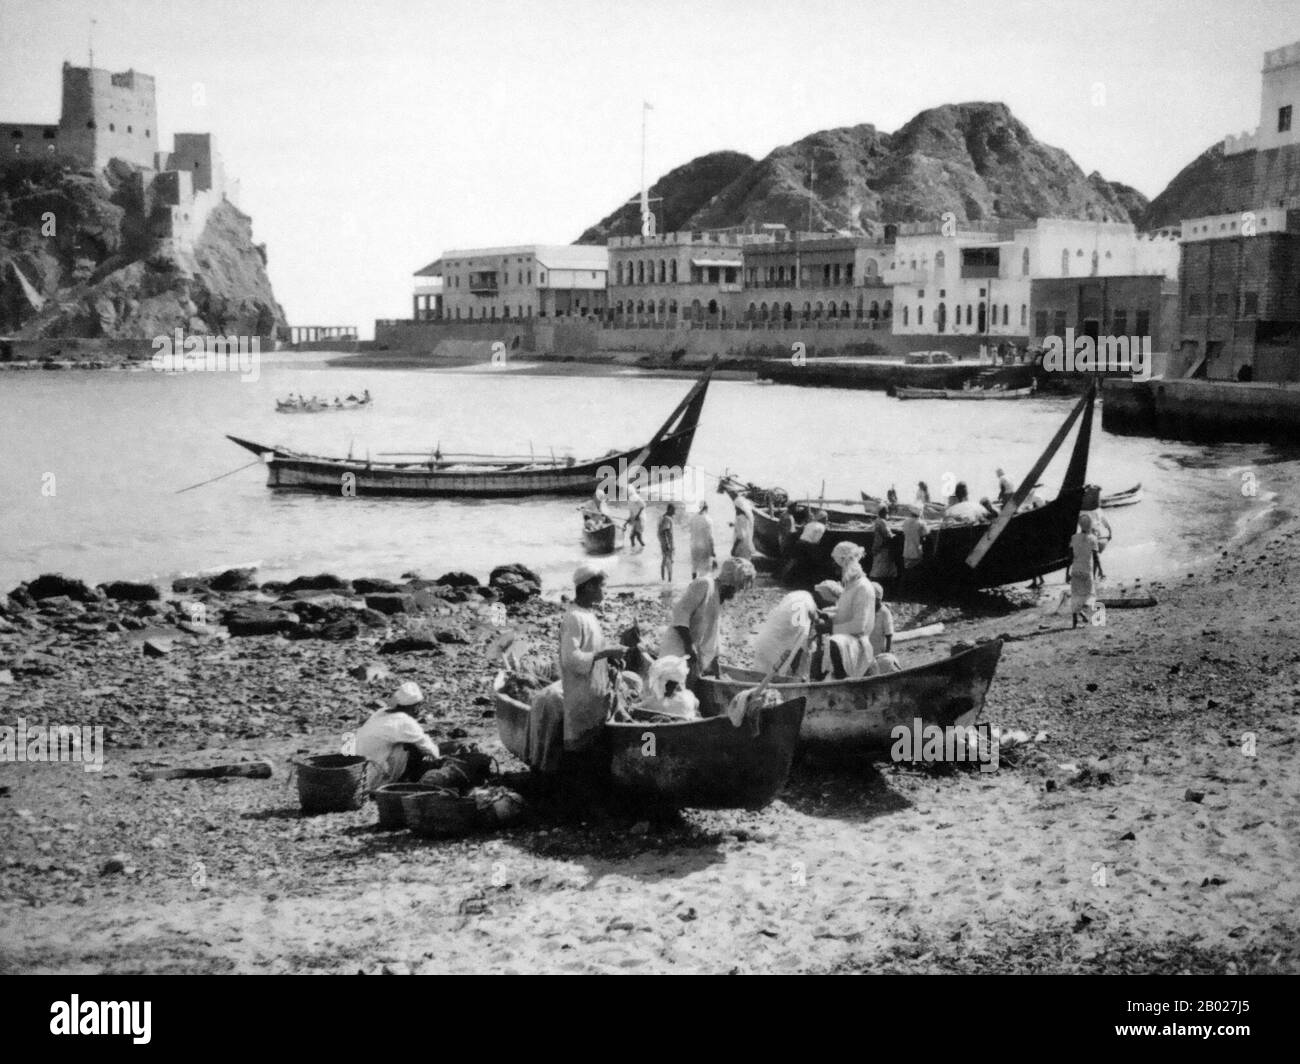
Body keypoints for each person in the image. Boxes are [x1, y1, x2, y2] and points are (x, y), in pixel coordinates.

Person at [559, 564, 625, 758]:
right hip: (580, 696)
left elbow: (593, 650)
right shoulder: (573, 617)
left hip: (593, 694)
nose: (605, 591)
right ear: (589, 587)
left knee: (595, 745)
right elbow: (571, 659)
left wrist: (610, 660)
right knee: (581, 750)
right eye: (603, 586)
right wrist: (604, 653)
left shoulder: (588, 614)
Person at [660, 556, 756, 680]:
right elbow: (680, 615)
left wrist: (717, 673)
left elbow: (712, 638)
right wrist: (690, 647)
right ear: (730, 581)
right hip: (676, 651)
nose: (739, 590)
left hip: (693, 659)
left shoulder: (719, 597)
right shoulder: (704, 584)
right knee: (674, 691)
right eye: (738, 586)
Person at [355, 681, 441, 787]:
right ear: (415, 707)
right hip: (372, 780)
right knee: (412, 747)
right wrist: (439, 760)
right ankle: (405, 783)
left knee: (406, 743)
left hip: (358, 775)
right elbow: (430, 749)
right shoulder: (404, 720)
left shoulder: (381, 712)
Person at [752, 581, 841, 679]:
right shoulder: (808, 608)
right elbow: (804, 637)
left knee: (763, 669)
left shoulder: (799, 595)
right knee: (782, 664)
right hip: (779, 646)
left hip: (766, 640)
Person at [813, 542, 876, 680]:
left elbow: (859, 626)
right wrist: (825, 615)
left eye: (837, 564)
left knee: (835, 641)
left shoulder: (863, 587)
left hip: (857, 642)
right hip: (847, 636)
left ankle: (842, 679)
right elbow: (843, 611)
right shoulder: (850, 586)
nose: (835, 569)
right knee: (815, 652)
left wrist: (832, 627)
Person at [1068, 514, 1101, 628]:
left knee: (1075, 596)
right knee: (1089, 595)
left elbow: (1070, 558)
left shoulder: (1074, 537)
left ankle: (1075, 621)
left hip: (1075, 570)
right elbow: (1096, 558)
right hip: (1087, 570)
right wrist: (1100, 571)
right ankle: (1092, 617)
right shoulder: (1093, 538)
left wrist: (1067, 573)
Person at [867, 582, 902, 674]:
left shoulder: (884, 613)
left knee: (878, 671)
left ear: (877, 599)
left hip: (879, 652)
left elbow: (889, 635)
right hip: (868, 650)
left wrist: (887, 652)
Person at [869, 506, 898, 584]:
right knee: (881, 569)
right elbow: (888, 535)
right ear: (884, 513)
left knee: (877, 567)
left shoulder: (877, 521)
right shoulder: (882, 522)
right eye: (887, 512)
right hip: (882, 547)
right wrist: (895, 536)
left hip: (877, 547)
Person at [688, 501, 715, 578]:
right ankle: (701, 587)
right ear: (706, 508)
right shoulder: (708, 519)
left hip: (694, 546)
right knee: (704, 570)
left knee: (694, 567)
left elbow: (691, 531)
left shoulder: (693, 518)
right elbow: (710, 537)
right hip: (704, 547)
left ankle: (693, 583)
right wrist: (713, 551)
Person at [727, 488, 755, 559]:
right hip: (746, 546)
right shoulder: (745, 517)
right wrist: (733, 524)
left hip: (741, 548)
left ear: (739, 508)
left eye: (736, 507)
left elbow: (741, 536)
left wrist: (733, 548)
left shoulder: (740, 518)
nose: (735, 509)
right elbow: (743, 527)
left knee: (741, 562)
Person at [658, 503, 676, 581]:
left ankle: (664, 580)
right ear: (669, 510)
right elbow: (666, 531)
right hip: (667, 544)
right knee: (669, 563)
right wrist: (668, 544)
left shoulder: (663, 518)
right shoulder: (667, 519)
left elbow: (661, 531)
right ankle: (669, 581)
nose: (674, 512)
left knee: (665, 562)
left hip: (664, 544)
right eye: (673, 510)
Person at [625, 485, 646, 551]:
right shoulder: (629, 501)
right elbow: (631, 513)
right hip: (636, 520)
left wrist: (637, 515)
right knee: (632, 537)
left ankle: (642, 549)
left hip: (640, 519)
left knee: (638, 537)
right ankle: (634, 549)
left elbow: (643, 506)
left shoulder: (635, 497)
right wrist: (627, 521)